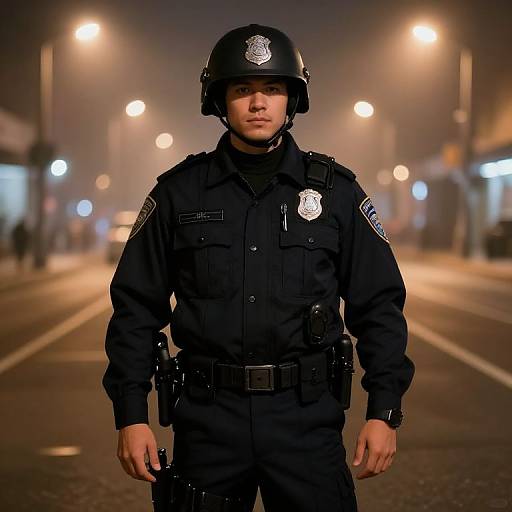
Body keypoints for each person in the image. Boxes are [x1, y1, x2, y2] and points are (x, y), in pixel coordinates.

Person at [102, 24, 415, 512]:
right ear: (219, 101)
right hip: (208, 424)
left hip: (306, 421)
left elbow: (378, 306)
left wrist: (385, 410)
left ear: (292, 100)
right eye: (242, 89)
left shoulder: (337, 194)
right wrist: (131, 414)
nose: (258, 103)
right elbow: (134, 309)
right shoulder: (177, 194)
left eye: (272, 89)